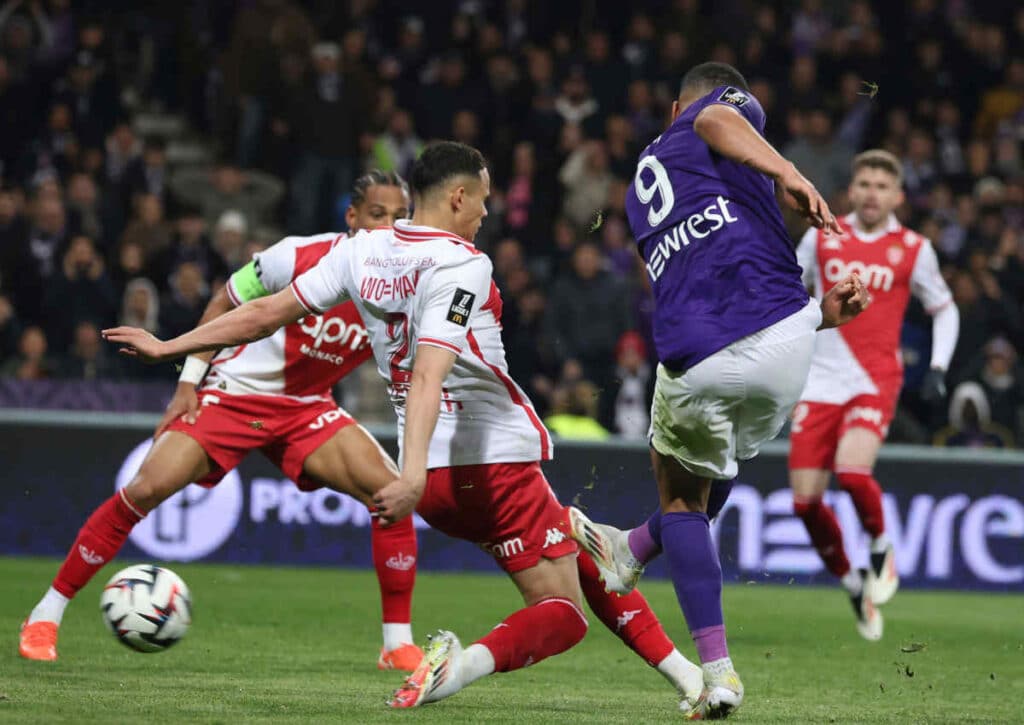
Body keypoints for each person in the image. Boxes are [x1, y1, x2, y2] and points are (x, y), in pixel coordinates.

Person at [102, 142, 715, 717]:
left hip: (444, 482)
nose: (485, 210)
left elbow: (263, 312)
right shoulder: (462, 264)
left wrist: (172, 346)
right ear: (456, 197)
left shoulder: (361, 251)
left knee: (589, 555)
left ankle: (691, 680)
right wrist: (413, 474)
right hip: (488, 462)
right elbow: (429, 373)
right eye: (482, 197)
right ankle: (457, 665)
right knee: (563, 617)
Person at [19, 171, 423, 672]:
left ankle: (396, 643)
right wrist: (189, 382)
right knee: (146, 487)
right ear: (353, 217)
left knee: (393, 496)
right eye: (378, 214)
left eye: (400, 215)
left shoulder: (408, 282)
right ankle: (45, 614)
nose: (389, 225)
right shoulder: (295, 255)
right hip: (236, 393)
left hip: (307, 406)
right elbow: (222, 303)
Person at [566, 62, 871, 719]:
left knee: (682, 495)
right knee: (714, 468)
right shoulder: (721, 118)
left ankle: (719, 671)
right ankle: (627, 550)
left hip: (702, 352)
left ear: (673, 103)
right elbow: (718, 116)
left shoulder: (640, 189)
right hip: (790, 339)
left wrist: (784, 171)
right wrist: (787, 176)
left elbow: (710, 121)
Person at [788, 149, 960, 640]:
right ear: (851, 189)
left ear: (898, 195)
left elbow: (944, 309)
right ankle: (852, 581)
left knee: (852, 470)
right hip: (818, 379)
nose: (872, 193)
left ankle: (882, 548)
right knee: (804, 504)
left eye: (882, 186)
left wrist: (938, 367)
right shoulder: (822, 236)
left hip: (874, 379)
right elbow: (789, 291)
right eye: (864, 183)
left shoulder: (913, 248)